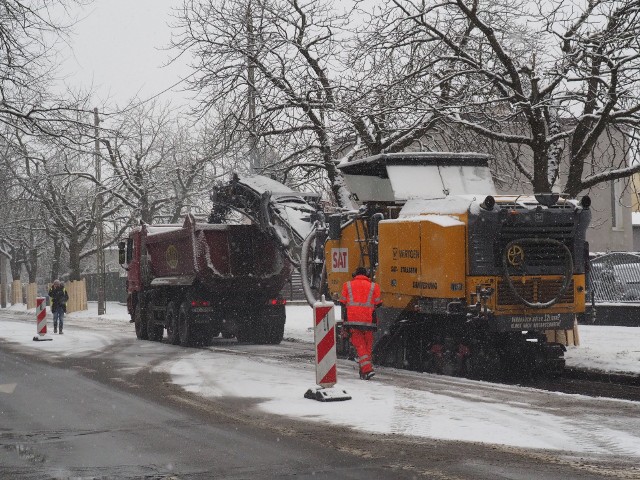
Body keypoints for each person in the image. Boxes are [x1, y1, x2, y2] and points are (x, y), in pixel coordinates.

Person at [339, 267, 382, 380]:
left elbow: (342, 302)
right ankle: (365, 371)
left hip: (352, 321)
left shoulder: (347, 285)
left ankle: (367, 370)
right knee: (367, 346)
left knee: (360, 346)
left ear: (354, 274)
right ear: (367, 275)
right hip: (368, 321)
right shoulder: (374, 286)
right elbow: (378, 303)